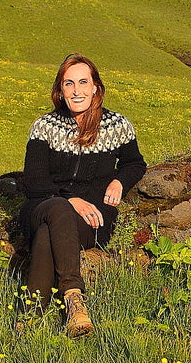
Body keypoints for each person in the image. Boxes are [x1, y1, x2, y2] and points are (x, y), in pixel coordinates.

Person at [19, 53, 146, 338]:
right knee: (58, 210)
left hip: (93, 216)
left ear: (96, 88)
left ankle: (29, 318)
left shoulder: (117, 125)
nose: (77, 90)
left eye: (83, 82)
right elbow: (34, 181)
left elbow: (135, 163)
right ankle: (75, 299)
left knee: (46, 236)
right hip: (43, 205)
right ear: (60, 91)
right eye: (68, 84)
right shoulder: (44, 127)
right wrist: (71, 200)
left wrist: (119, 181)